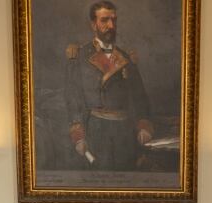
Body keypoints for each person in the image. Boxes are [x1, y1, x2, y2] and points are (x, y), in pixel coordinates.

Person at [65, 1, 153, 171]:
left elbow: (139, 96)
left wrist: (144, 126)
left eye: (114, 20)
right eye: (104, 20)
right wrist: (78, 136)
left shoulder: (126, 58)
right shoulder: (80, 57)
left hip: (125, 133)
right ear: (93, 24)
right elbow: (73, 98)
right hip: (96, 132)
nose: (111, 26)